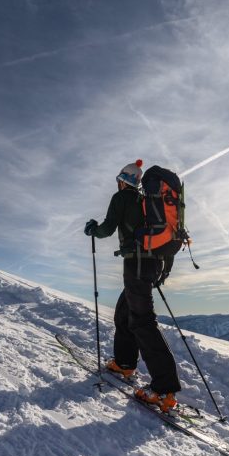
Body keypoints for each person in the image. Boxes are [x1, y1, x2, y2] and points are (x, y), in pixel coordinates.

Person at [85, 159, 182, 412]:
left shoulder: (123, 198)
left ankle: (164, 389)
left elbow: (106, 229)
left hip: (137, 264)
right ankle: (125, 362)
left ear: (122, 180)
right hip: (152, 263)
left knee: (142, 321)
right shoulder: (146, 202)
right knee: (124, 312)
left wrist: (93, 229)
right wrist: (164, 267)